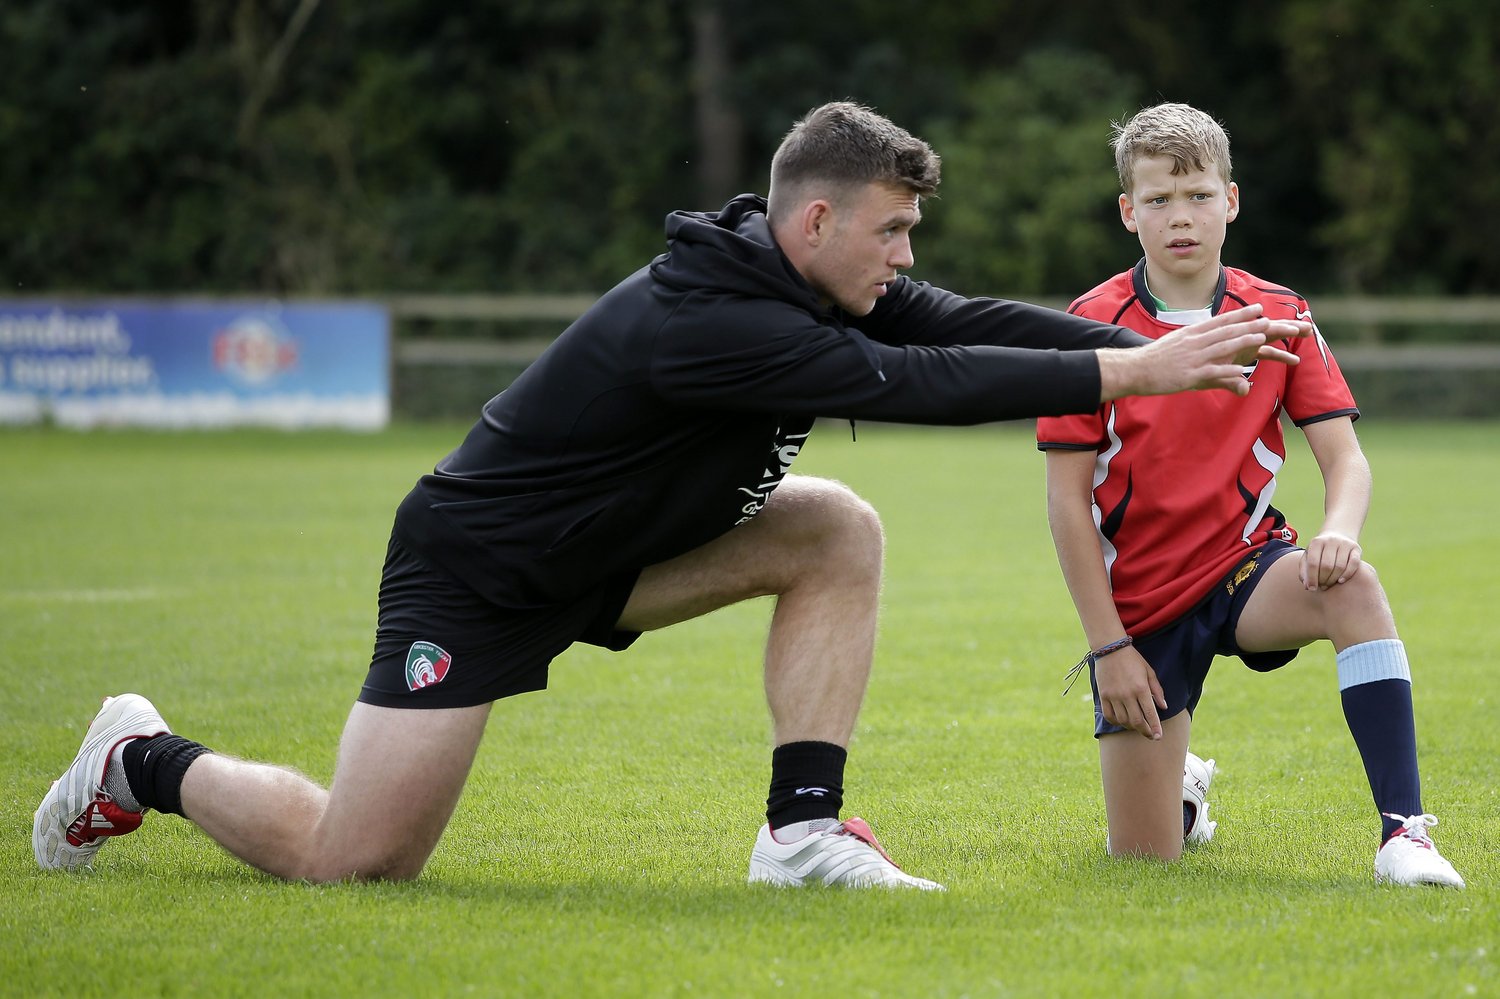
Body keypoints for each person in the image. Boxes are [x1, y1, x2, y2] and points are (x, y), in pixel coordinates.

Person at [35, 101, 1309, 891]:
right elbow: (919, 379)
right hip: (481, 573)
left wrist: (1139, 344)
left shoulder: (823, 277)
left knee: (832, 526)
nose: (908, 257)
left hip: (623, 557)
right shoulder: (708, 322)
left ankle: (801, 834)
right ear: (816, 220)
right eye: (893, 233)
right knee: (354, 864)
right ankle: (139, 757)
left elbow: (967, 321)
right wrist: (1130, 366)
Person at [1037, 102, 1464, 887]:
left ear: (1230, 201)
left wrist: (1340, 528)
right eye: (1158, 200)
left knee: (1352, 586)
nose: (1181, 217)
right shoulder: (1088, 325)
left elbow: (1347, 459)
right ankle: (1184, 790)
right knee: (1141, 861)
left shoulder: (1282, 313)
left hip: (1247, 569)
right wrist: (1108, 648)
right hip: (1141, 608)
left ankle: (1405, 834)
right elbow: (1066, 504)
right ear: (1129, 212)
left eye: (1198, 195)